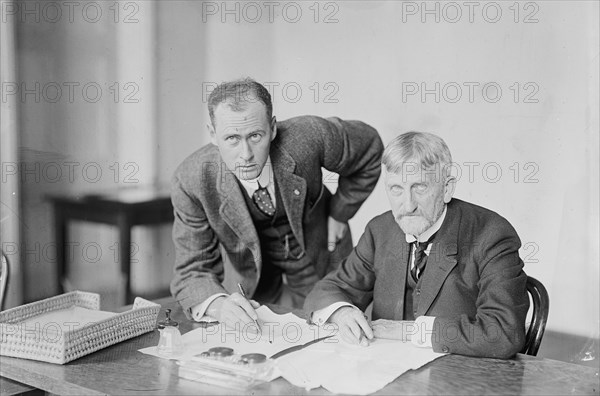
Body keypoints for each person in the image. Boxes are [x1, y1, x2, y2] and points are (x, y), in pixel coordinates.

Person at [170, 78, 383, 331]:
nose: (246, 154)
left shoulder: (310, 136)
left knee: (333, 335)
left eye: (255, 136)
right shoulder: (191, 179)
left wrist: (339, 212)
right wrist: (219, 305)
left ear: (272, 128)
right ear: (213, 134)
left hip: (321, 259)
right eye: (232, 139)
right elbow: (191, 269)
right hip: (254, 282)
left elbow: (370, 148)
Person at [304, 131, 529, 359]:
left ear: (447, 188)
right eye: (396, 189)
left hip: (457, 379)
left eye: (419, 187)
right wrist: (341, 312)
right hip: (385, 373)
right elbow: (325, 290)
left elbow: (503, 333)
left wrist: (410, 331)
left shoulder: (491, 234)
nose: (407, 205)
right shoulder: (380, 230)